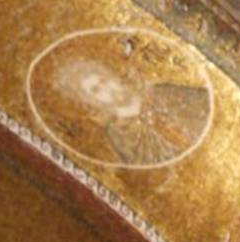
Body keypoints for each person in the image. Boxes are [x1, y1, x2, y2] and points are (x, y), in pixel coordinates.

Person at [52, 58, 210, 166]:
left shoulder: (159, 91)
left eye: (104, 80)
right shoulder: (122, 133)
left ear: (112, 76)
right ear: (94, 101)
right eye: (96, 90)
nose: (107, 88)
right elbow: (156, 174)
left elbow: (206, 104)